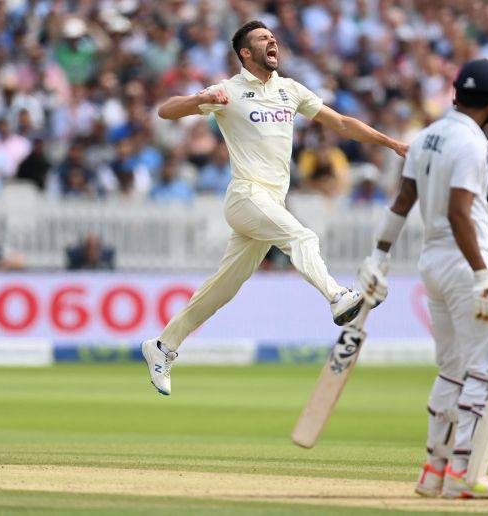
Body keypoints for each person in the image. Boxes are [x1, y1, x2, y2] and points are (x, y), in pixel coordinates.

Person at [142, 20, 408, 396]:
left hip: (270, 202)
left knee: (223, 288)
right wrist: (200, 101)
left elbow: (343, 123)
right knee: (302, 234)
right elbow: (166, 111)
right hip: (246, 195)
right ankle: (336, 295)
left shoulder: (290, 90)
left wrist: (392, 143)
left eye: (272, 36)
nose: (272, 41)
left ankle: (162, 346)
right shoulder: (229, 90)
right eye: (262, 39)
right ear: (245, 54)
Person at [357, 59, 488, 499]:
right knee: (485, 367)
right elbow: (458, 212)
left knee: (450, 369)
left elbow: (403, 201)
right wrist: (483, 275)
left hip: (432, 264)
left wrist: (378, 257)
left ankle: (433, 470)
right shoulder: (471, 142)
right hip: (466, 264)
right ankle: (466, 474)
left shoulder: (426, 136)